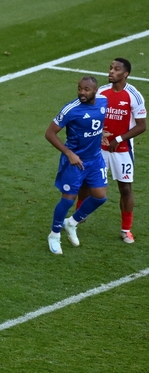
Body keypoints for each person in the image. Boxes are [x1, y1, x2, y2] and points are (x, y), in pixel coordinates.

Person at [77, 58, 146, 243]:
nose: (111, 72)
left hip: (122, 150)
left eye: (116, 69)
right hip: (98, 148)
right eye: (110, 68)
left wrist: (119, 138)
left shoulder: (134, 95)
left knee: (125, 188)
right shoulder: (101, 93)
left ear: (125, 74)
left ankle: (126, 230)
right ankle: (78, 216)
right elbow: (90, 114)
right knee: (86, 183)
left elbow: (141, 126)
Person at [45, 76, 109, 255]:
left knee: (100, 197)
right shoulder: (70, 109)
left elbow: (96, 121)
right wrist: (69, 153)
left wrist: (100, 133)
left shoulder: (104, 101)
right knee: (67, 199)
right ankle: (54, 235)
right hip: (75, 161)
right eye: (79, 88)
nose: (82, 92)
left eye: (86, 89)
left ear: (95, 91)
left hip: (95, 159)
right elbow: (50, 133)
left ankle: (71, 223)